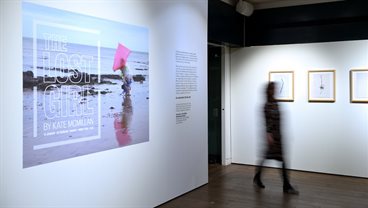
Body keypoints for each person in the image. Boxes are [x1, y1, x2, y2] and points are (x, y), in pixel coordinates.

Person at [253, 82, 299, 195]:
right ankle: (286, 186)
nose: (275, 90)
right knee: (280, 160)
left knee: (268, 158)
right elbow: (267, 122)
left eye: (275, 88)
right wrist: (269, 135)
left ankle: (257, 177)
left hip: (278, 137)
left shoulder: (276, 103)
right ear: (269, 91)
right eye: (273, 89)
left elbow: (279, 120)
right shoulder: (266, 105)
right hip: (272, 138)